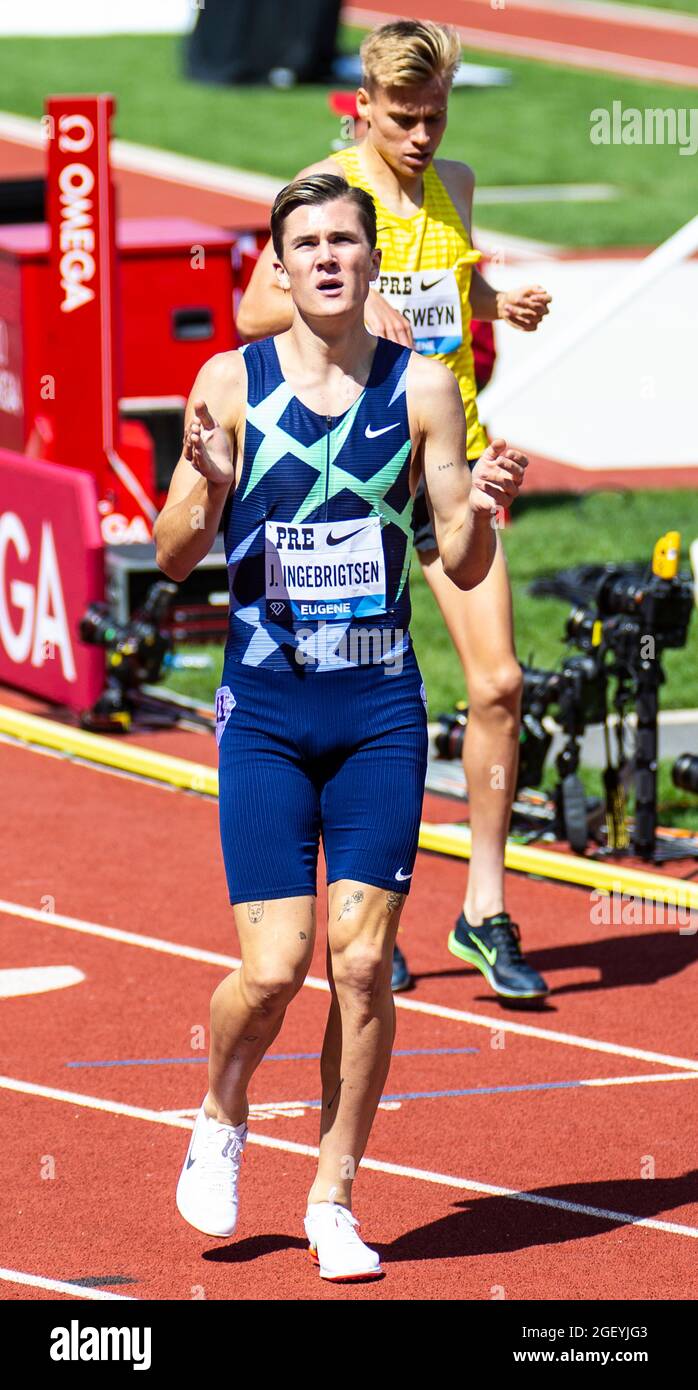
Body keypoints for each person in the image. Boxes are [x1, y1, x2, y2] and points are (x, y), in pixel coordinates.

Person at [154, 172, 528, 1280]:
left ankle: (332, 1196)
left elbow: (453, 552)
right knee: (272, 970)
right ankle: (222, 1109)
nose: (325, 258)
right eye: (304, 243)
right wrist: (206, 491)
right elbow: (174, 554)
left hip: (376, 712)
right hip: (267, 712)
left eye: (343, 242)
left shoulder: (422, 392)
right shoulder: (227, 383)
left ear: (372, 264)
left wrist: (481, 510)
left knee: (361, 966)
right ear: (275, 265)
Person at [237, 19, 552, 1002]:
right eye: (403, 119)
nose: (420, 136)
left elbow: (443, 298)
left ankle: (484, 910)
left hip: (450, 466)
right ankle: (359, 912)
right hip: (359, 483)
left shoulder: (453, 186)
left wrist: (499, 305)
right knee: (343, 697)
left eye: (434, 116)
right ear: (360, 108)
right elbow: (252, 309)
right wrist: (341, 305)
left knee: (497, 684)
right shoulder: (328, 197)